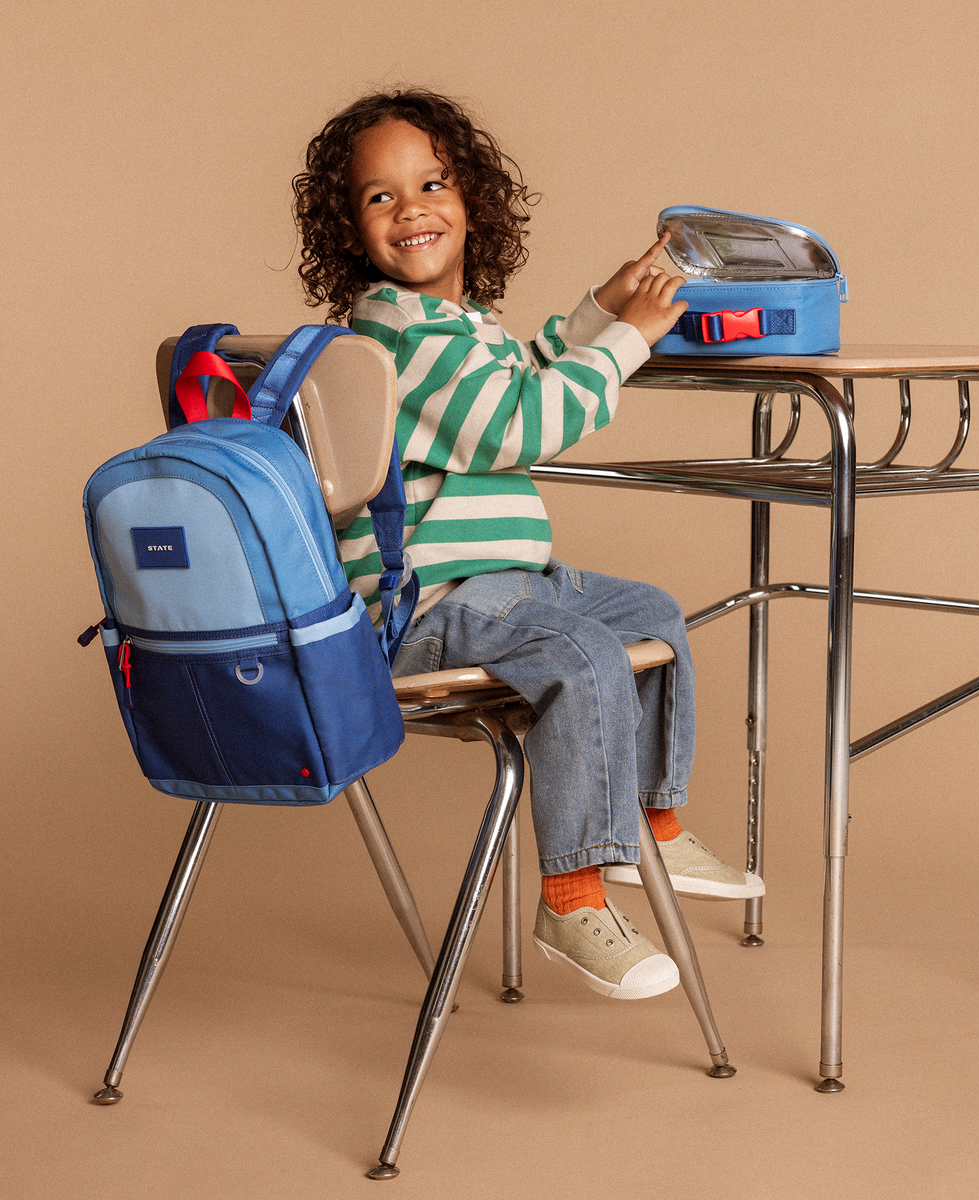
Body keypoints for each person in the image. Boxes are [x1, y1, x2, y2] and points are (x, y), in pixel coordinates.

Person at [293, 89, 764, 1001]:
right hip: (426, 608)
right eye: (380, 197)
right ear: (348, 229)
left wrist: (606, 304)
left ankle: (649, 819)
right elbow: (518, 424)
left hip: (502, 592)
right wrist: (632, 340)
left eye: (432, 184)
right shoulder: (393, 331)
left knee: (651, 615)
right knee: (587, 653)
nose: (412, 209)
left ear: (472, 203)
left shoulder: (455, 328)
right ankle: (572, 894)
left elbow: (528, 368)